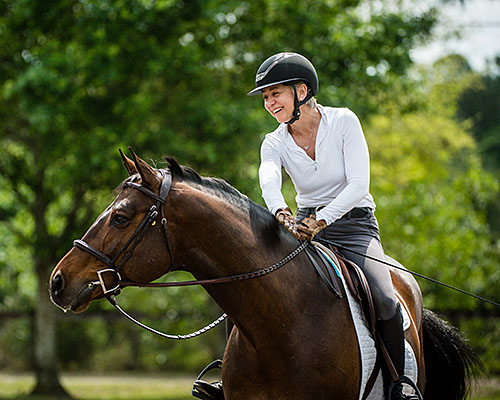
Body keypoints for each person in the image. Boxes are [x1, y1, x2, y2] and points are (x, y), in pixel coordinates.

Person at [250, 52, 418, 400]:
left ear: (301, 90)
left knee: (385, 298)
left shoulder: (343, 121)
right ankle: (236, 376)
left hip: (354, 227)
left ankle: (401, 385)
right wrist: (281, 212)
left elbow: (358, 184)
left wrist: (323, 220)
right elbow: (268, 178)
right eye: (266, 97)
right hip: (301, 227)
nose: (269, 103)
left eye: (275, 93)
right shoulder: (274, 141)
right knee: (256, 284)